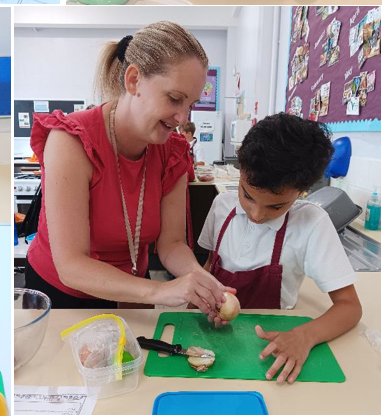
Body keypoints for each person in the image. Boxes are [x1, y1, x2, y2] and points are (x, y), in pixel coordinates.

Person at [25, 22, 235, 317]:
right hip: (63, 296)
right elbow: (71, 265)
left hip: (133, 289)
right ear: (134, 80)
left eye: (191, 104)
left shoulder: (172, 152)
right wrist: (161, 291)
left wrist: (200, 281)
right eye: (174, 99)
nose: (182, 117)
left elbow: (172, 244)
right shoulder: (71, 141)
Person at [199, 113, 361, 384]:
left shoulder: (311, 224)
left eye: (276, 206)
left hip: (275, 346)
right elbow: (208, 267)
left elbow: (350, 308)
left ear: (301, 192)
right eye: (247, 195)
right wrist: (201, 304)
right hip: (215, 337)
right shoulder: (221, 206)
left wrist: (305, 336)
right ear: (240, 171)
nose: (256, 214)